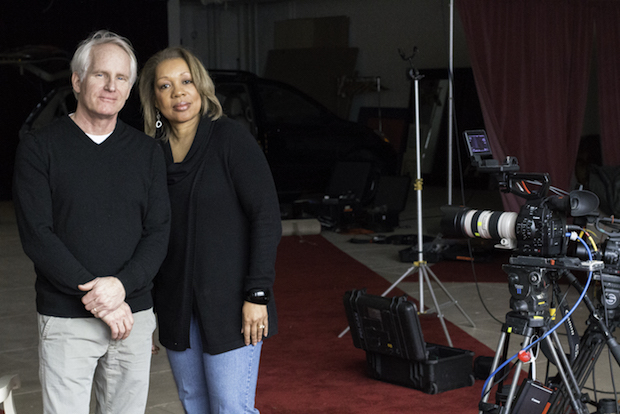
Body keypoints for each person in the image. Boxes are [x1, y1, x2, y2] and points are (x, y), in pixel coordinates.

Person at [12, 30, 170, 414]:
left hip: (132, 316)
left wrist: (121, 288)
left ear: (130, 89)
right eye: (101, 75)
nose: (111, 86)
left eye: (121, 78)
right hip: (67, 318)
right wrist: (102, 300)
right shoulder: (39, 148)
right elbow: (38, 235)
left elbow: (159, 231)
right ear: (78, 81)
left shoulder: (147, 152)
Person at [138, 47, 281, 414]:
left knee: (231, 407)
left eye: (186, 82)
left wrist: (258, 294)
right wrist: (143, 310)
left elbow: (266, 216)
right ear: (153, 98)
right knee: (194, 406)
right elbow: (147, 234)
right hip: (176, 306)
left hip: (232, 304)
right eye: (165, 86)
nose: (178, 93)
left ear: (201, 87)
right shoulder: (150, 154)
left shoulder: (230, 139)